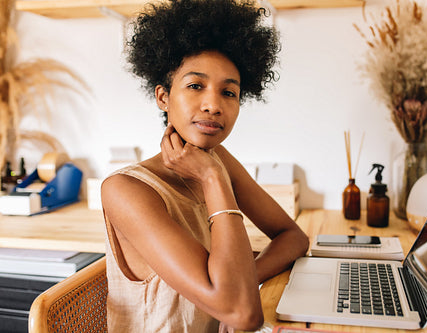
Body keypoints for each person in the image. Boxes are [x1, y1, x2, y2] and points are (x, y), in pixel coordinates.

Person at [101, 0, 309, 332]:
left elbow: (294, 237)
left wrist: (241, 281)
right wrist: (212, 179)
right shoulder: (127, 189)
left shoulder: (217, 158)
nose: (213, 105)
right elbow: (243, 314)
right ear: (163, 97)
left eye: (229, 92)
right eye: (195, 86)